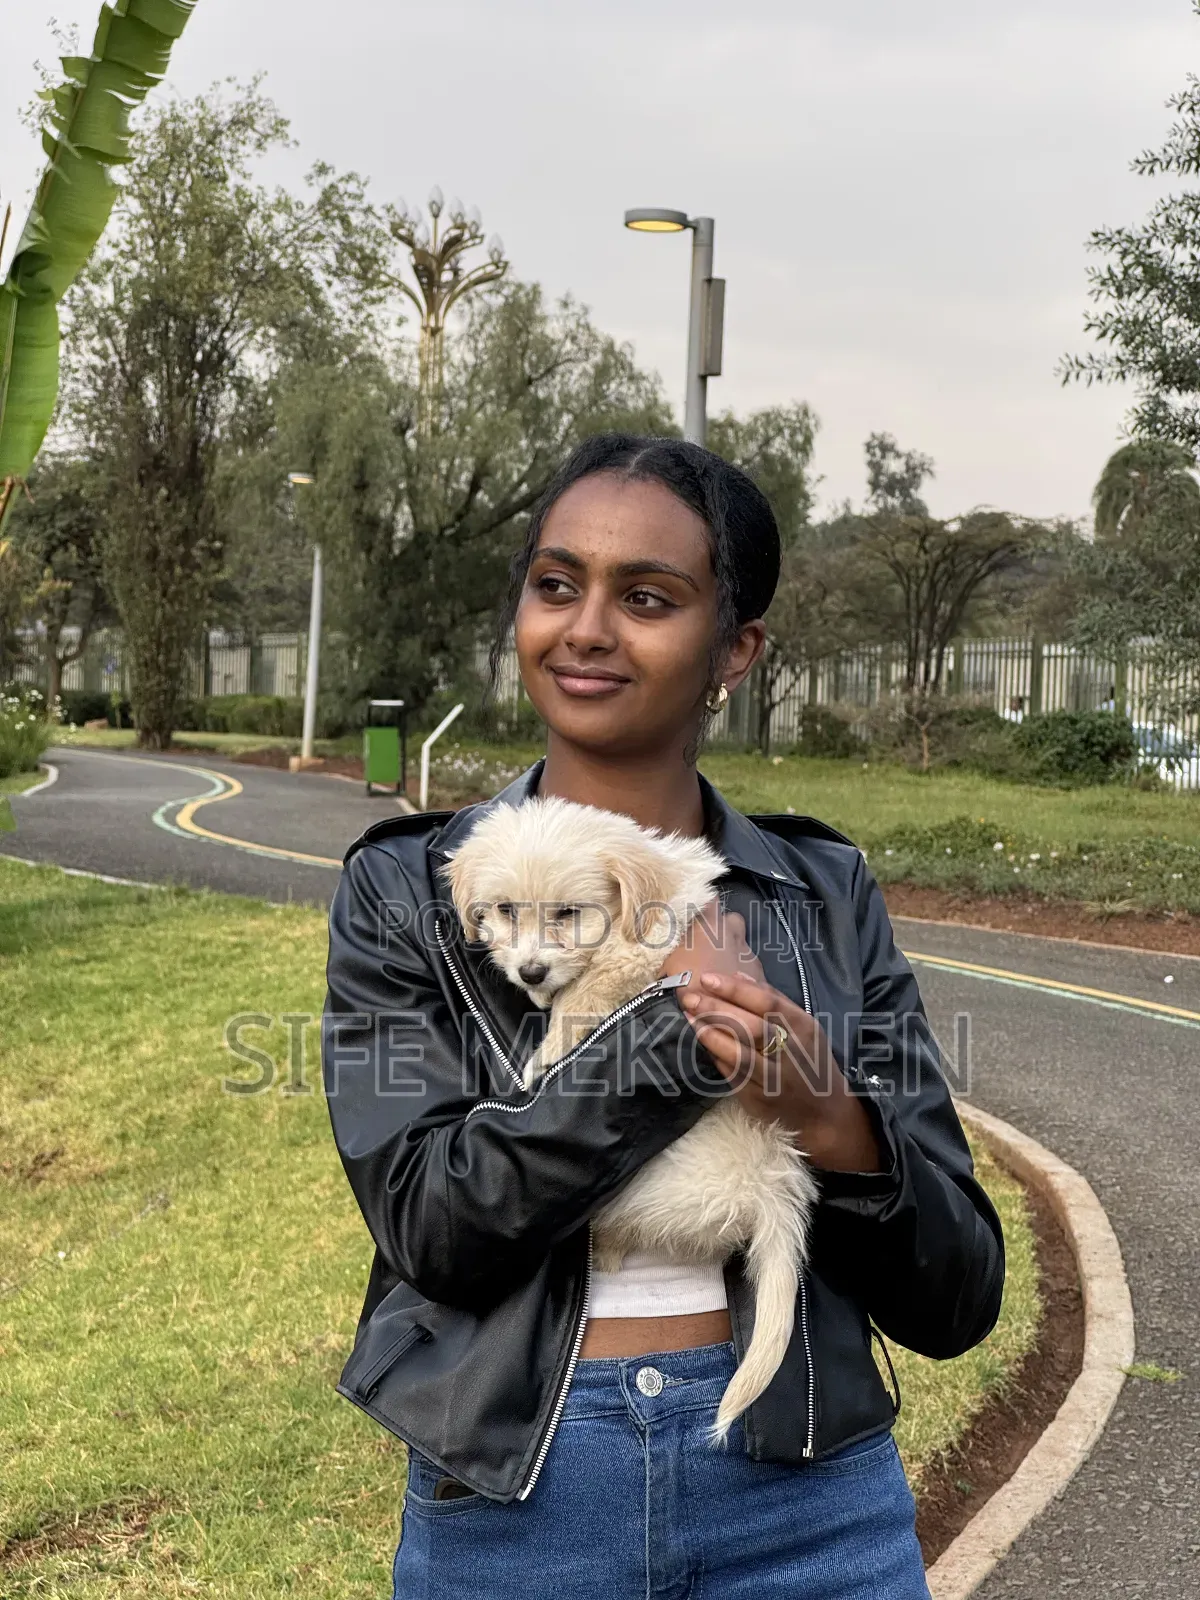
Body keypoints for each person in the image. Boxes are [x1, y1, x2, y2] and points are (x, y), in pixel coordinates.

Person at [323, 435, 1005, 1599]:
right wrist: (676, 1036)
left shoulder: (821, 892)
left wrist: (835, 1121)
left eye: (647, 597)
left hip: (808, 1503)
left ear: (734, 648)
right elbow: (430, 1223)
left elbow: (958, 1294)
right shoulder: (407, 892)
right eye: (555, 584)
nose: (586, 627)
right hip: (517, 1506)